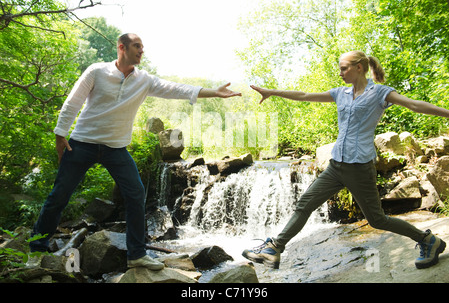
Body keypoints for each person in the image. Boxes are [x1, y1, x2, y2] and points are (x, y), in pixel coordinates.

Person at [30, 33, 241, 270]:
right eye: (137, 46)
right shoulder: (97, 71)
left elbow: (177, 89)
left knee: (136, 194)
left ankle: (136, 254)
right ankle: (36, 250)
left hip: (116, 148)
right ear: (122, 47)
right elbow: (73, 102)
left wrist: (214, 91)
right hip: (82, 143)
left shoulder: (144, 80)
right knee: (59, 195)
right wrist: (61, 134)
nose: (142, 51)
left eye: (142, 47)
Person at [242, 50, 448, 270]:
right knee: (305, 204)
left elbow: (415, 105)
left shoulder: (379, 93)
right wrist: (271, 92)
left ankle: (428, 240)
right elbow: (303, 95)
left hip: (360, 167)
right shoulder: (340, 93)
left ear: (359, 67)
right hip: (336, 165)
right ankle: (274, 248)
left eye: (343, 68)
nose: (340, 73)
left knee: (377, 220)